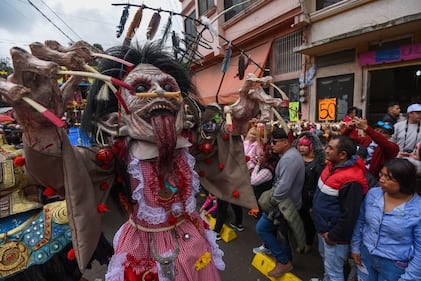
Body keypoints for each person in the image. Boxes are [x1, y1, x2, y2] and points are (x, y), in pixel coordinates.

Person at [351, 158, 421, 281]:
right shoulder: (373, 194)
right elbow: (360, 221)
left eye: (388, 178)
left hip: (395, 265)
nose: (381, 180)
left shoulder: (417, 210)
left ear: (404, 182)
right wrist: (356, 247)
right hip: (367, 255)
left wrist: (409, 277)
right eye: (381, 174)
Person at [312, 135, 368, 281]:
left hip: (334, 236)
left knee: (335, 272)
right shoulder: (332, 166)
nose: (326, 150)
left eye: (330, 148)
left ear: (342, 155)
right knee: (328, 267)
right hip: (324, 230)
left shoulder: (351, 180)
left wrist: (333, 235)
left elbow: (349, 215)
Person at [255, 126, 305, 277]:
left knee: (262, 228)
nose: (271, 145)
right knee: (282, 234)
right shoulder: (290, 155)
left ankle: (284, 262)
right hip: (285, 203)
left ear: (285, 142)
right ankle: (285, 260)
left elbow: (283, 188)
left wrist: (270, 201)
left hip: (283, 205)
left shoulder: (290, 159)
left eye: (274, 142)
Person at [295, 132, 326, 253]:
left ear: (312, 146)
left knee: (307, 221)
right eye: (300, 145)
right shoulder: (296, 158)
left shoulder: (319, 163)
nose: (301, 148)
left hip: (309, 197)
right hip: (296, 194)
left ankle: (308, 242)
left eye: (305, 145)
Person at [249, 143, 280, 218]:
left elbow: (253, 181)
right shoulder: (266, 165)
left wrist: (258, 164)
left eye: (262, 156)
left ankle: (257, 213)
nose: (259, 157)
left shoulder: (267, 171)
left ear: (268, 158)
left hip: (261, 196)